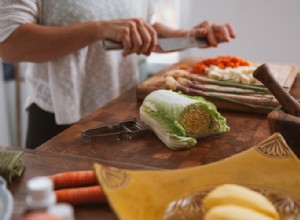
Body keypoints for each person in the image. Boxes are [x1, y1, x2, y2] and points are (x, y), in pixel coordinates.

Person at [0, 0, 236, 149]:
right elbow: (9, 43)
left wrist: (191, 35)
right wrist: (99, 29)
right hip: (56, 121)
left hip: (123, 116)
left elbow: (144, 29)